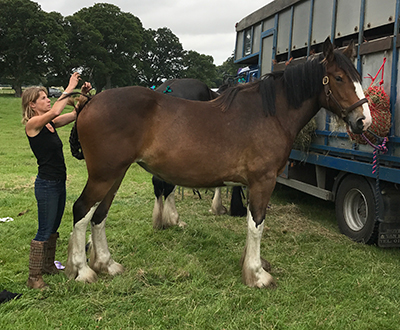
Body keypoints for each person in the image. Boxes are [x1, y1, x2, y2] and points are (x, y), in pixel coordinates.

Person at [21, 72, 91, 289]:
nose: (47, 99)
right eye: (43, 98)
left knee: (53, 228)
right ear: (33, 105)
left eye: (47, 96)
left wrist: (83, 96)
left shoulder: (50, 124)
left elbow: (74, 114)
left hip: (58, 182)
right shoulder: (33, 124)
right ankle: (34, 277)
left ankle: (49, 265)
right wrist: (70, 86)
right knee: (44, 230)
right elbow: (56, 110)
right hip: (46, 185)